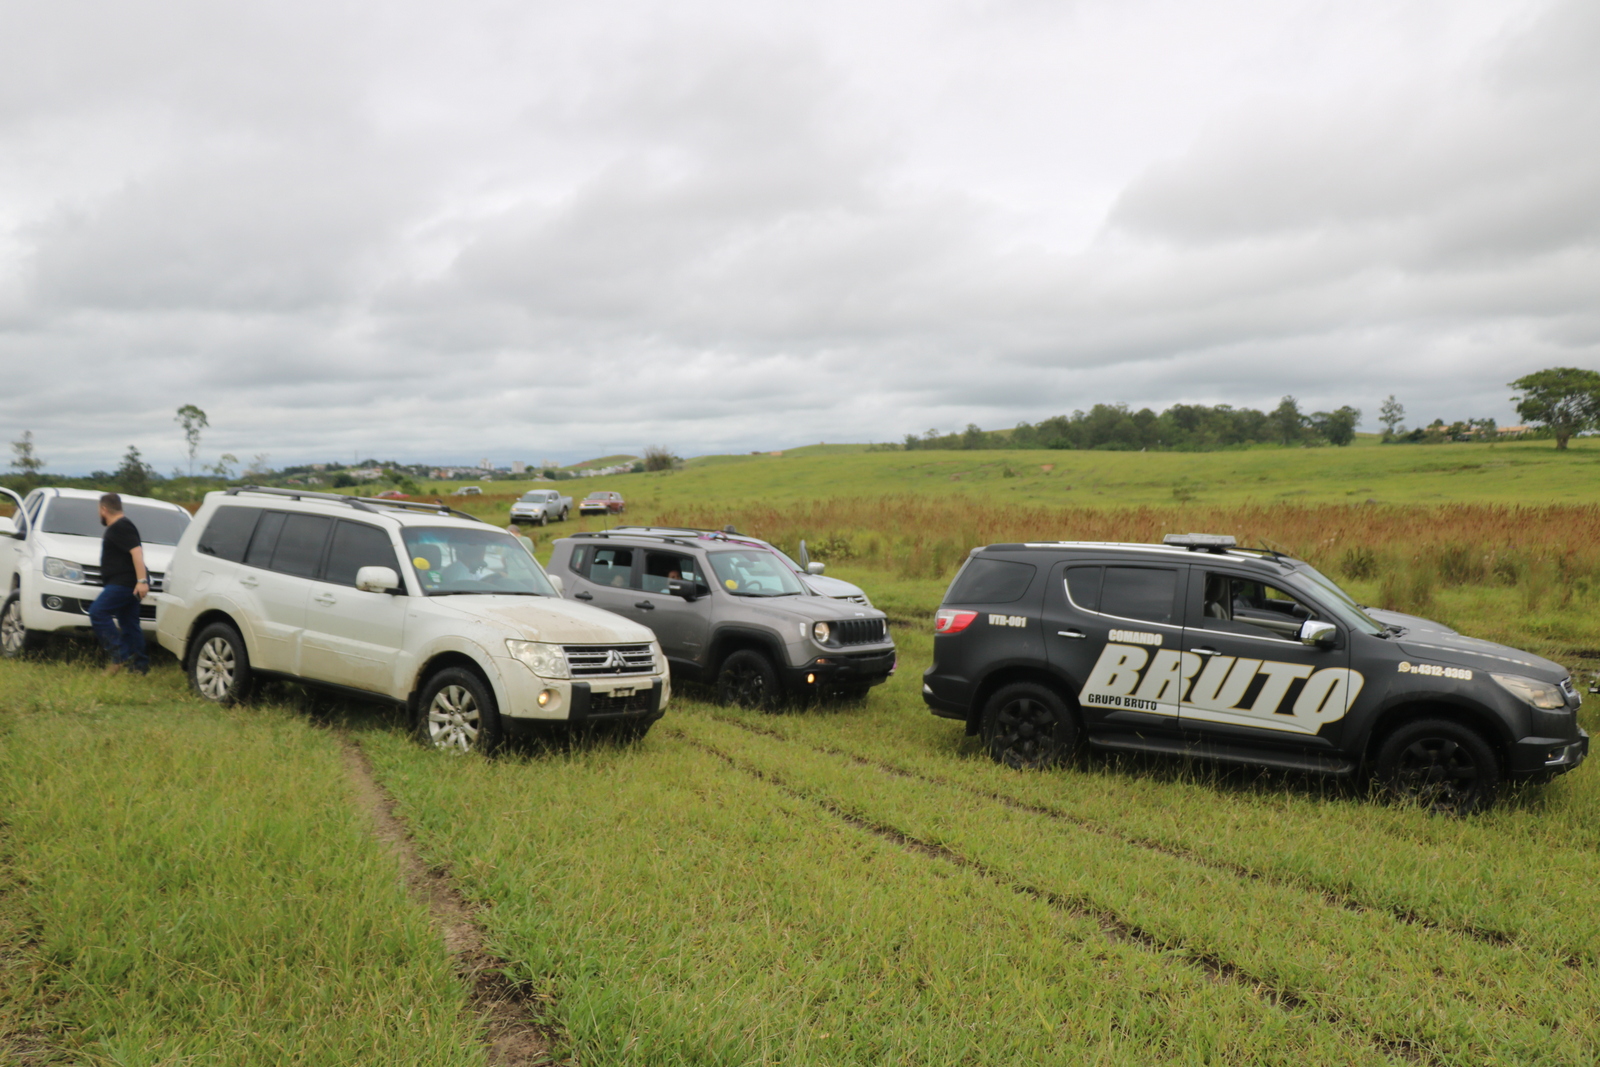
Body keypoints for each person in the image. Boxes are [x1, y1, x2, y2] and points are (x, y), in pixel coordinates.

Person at [88, 492, 150, 675]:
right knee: (129, 624)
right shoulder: (120, 526)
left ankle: (120, 655)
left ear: (103, 509)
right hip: (126, 583)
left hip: (124, 583)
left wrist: (142, 581)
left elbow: (137, 553)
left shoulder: (121, 526)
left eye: (99, 510)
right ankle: (139, 667)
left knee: (97, 612)